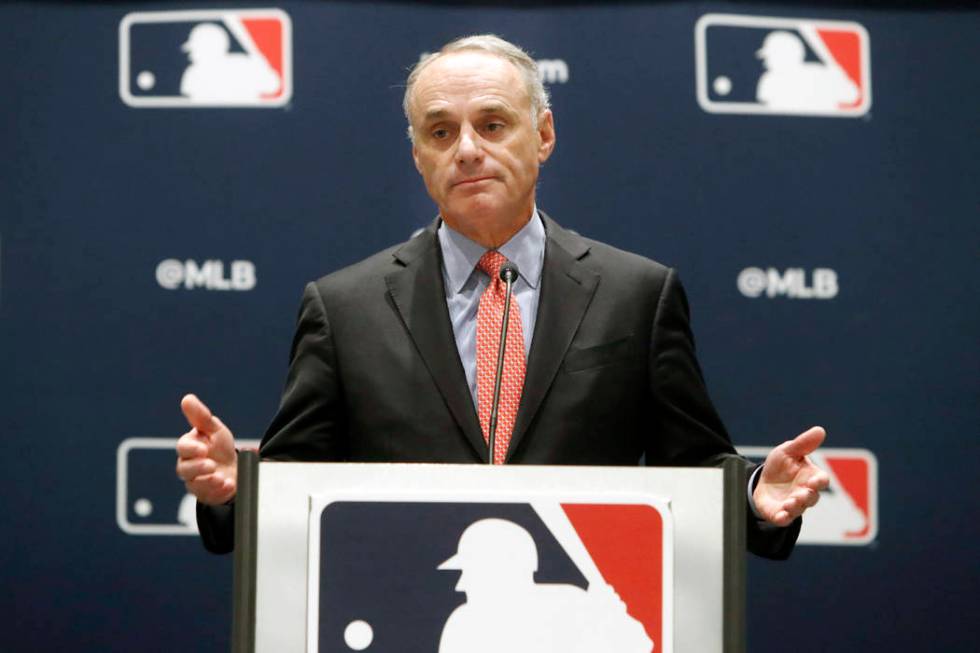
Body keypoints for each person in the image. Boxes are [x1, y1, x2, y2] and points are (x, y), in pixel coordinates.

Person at [177, 34, 829, 556]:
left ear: (543, 135)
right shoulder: (343, 308)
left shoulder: (637, 295)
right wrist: (236, 493)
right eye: (440, 133)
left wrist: (750, 494)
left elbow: (692, 467)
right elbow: (293, 488)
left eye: (492, 125)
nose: (467, 150)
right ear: (418, 158)